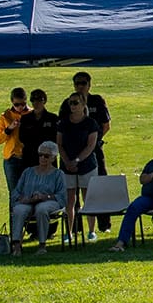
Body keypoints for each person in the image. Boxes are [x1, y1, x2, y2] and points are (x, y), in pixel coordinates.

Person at [8, 141, 67, 254]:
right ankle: (16, 245)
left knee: (42, 209)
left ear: (53, 158)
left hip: (50, 201)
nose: (43, 158)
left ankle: (42, 245)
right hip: (28, 200)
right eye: (40, 155)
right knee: (19, 210)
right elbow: (16, 191)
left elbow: (62, 196)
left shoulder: (58, 174)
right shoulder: (28, 172)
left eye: (46, 156)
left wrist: (45, 196)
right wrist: (23, 199)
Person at [56, 95, 102, 238]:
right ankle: (69, 232)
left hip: (87, 165)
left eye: (76, 103)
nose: (73, 106)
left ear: (83, 104)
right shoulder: (63, 123)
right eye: (70, 103)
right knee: (69, 200)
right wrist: (67, 161)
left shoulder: (91, 123)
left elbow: (90, 145)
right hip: (67, 165)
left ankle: (91, 231)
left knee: (88, 197)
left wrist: (76, 160)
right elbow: (59, 144)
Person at [69, 71, 112, 180]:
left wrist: (94, 141)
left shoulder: (97, 100)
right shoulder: (69, 102)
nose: (80, 86)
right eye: (77, 83)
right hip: (74, 148)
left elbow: (106, 125)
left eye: (83, 83)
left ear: (89, 85)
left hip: (95, 148)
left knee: (100, 178)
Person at [0, 87, 30, 192]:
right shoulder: (5, 116)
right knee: (14, 192)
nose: (20, 107)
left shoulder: (32, 114)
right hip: (11, 158)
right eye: (16, 105)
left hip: (28, 157)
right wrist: (9, 128)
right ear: (12, 102)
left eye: (22, 104)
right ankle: (13, 209)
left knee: (29, 191)